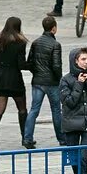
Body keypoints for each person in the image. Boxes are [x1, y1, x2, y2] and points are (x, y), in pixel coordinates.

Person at [23, 16, 65, 149]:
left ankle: (27, 138)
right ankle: (62, 138)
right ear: (54, 28)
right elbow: (56, 66)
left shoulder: (35, 43)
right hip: (52, 82)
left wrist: (36, 73)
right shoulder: (55, 45)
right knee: (56, 110)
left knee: (34, 110)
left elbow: (29, 62)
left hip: (38, 81)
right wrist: (59, 79)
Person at [0, 16, 29, 150]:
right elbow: (21, 64)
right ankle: (25, 137)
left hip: (0, 78)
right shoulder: (20, 43)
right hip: (15, 79)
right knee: (22, 109)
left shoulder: (0, 40)